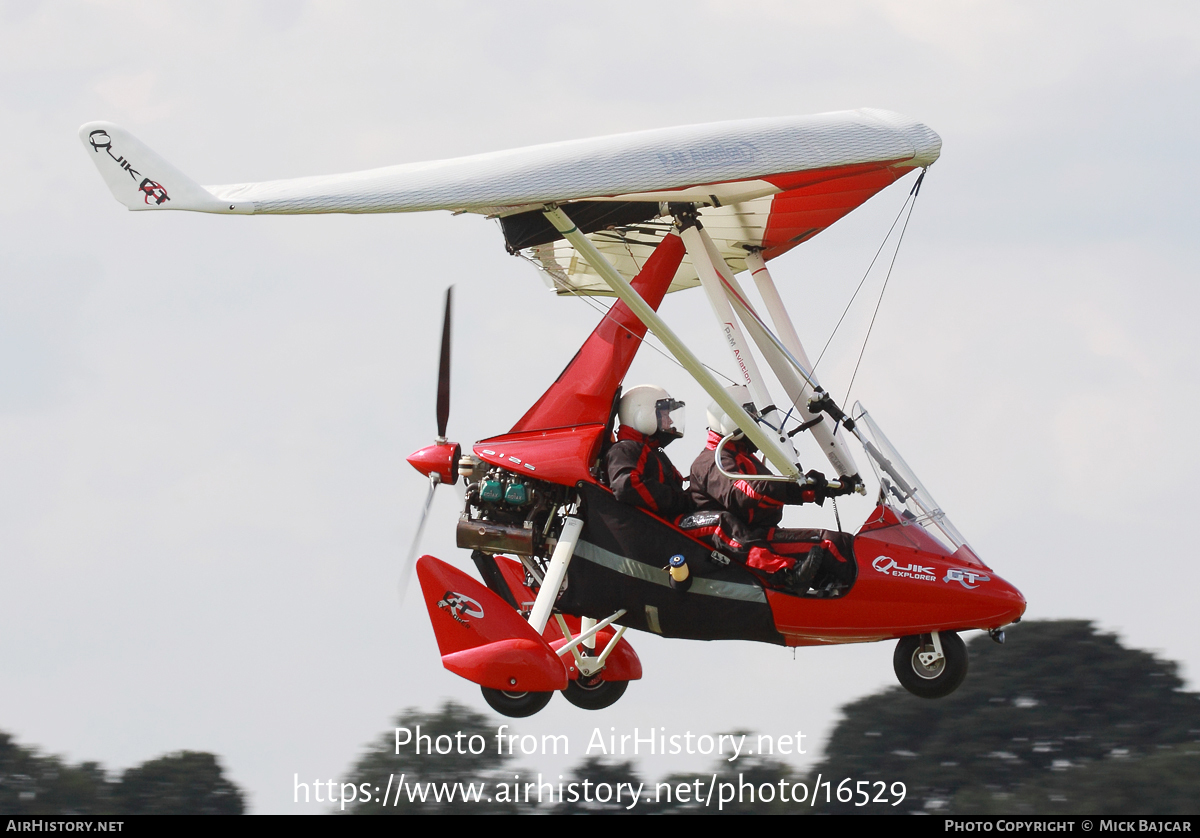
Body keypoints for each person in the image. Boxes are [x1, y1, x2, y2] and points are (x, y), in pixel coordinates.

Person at [686, 385, 851, 591]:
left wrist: (821, 488)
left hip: (760, 534)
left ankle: (833, 588)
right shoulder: (711, 461)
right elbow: (747, 493)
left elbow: (772, 488)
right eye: (750, 415)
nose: (756, 421)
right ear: (732, 420)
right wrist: (800, 484)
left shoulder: (741, 455)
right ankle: (785, 575)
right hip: (738, 544)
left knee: (837, 545)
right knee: (831, 545)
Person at [604, 384, 693, 520]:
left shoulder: (650, 451)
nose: (671, 421)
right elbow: (627, 486)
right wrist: (683, 501)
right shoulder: (625, 449)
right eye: (665, 414)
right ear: (643, 414)